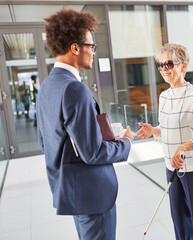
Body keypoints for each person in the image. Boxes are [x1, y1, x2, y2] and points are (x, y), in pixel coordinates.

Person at [36, 8, 133, 240]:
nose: (93, 52)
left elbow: (45, 142)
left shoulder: (48, 86)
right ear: (75, 48)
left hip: (74, 192)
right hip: (92, 196)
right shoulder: (74, 89)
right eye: (91, 46)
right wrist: (125, 143)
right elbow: (92, 152)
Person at [137, 43, 193, 240]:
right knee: (180, 223)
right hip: (171, 166)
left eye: (169, 64)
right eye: (161, 65)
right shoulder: (164, 96)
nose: (164, 69)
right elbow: (167, 129)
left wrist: (184, 147)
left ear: (183, 66)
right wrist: (153, 130)